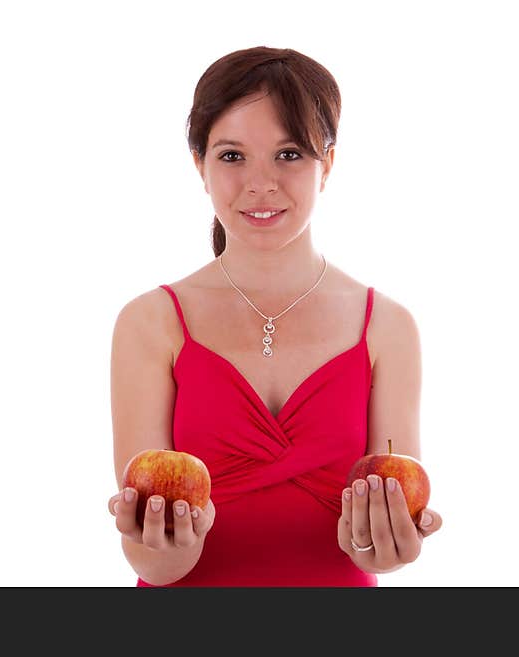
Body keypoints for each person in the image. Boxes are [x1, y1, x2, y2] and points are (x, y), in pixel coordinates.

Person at [106, 46, 443, 586]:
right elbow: (149, 559)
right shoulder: (150, 323)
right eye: (232, 156)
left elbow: (376, 550)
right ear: (201, 166)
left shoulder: (387, 327)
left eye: (288, 154)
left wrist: (385, 547)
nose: (260, 184)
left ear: (326, 164)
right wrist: (168, 547)